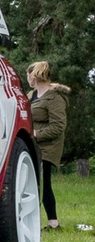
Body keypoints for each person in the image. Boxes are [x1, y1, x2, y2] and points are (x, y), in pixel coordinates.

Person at [26, 61, 71, 230]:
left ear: (34, 76)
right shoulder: (31, 95)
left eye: (28, 75)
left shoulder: (54, 98)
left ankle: (53, 223)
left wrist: (36, 134)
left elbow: (58, 126)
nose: (27, 79)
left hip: (48, 147)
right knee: (34, 184)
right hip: (32, 145)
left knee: (42, 183)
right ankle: (48, 222)